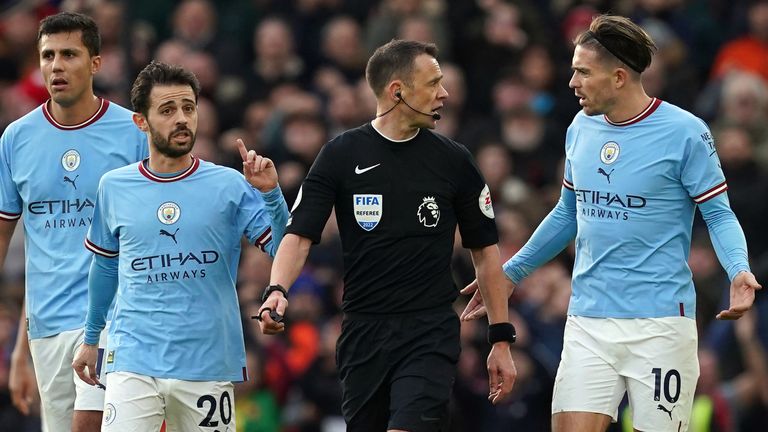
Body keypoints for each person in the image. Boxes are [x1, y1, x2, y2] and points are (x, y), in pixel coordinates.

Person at [460, 14, 763, 432]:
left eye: (583, 72)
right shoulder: (580, 128)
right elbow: (569, 213)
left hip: (660, 324)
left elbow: (717, 212)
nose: (572, 82)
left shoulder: (685, 133)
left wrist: (738, 268)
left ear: (619, 77)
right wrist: (510, 274)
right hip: (589, 318)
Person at [257, 39, 517, 432]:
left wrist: (500, 338)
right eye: (433, 83)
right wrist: (276, 289)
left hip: (429, 331)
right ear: (398, 91)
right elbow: (299, 234)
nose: (444, 93)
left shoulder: (454, 160)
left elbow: (485, 251)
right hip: (363, 333)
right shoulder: (341, 155)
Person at [71, 60, 289, 432]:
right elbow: (105, 268)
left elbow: (283, 249)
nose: (182, 119)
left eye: (188, 108)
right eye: (168, 110)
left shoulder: (229, 184)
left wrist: (270, 193)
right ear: (141, 121)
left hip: (207, 363)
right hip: (133, 360)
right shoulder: (114, 186)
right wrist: (91, 338)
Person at [0, 12, 148, 432]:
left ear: (96, 63)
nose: (56, 66)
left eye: (69, 54)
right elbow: (20, 243)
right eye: (47, 56)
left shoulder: (133, 132)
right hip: (46, 326)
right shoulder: (16, 139)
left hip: (117, 320)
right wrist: (19, 353)